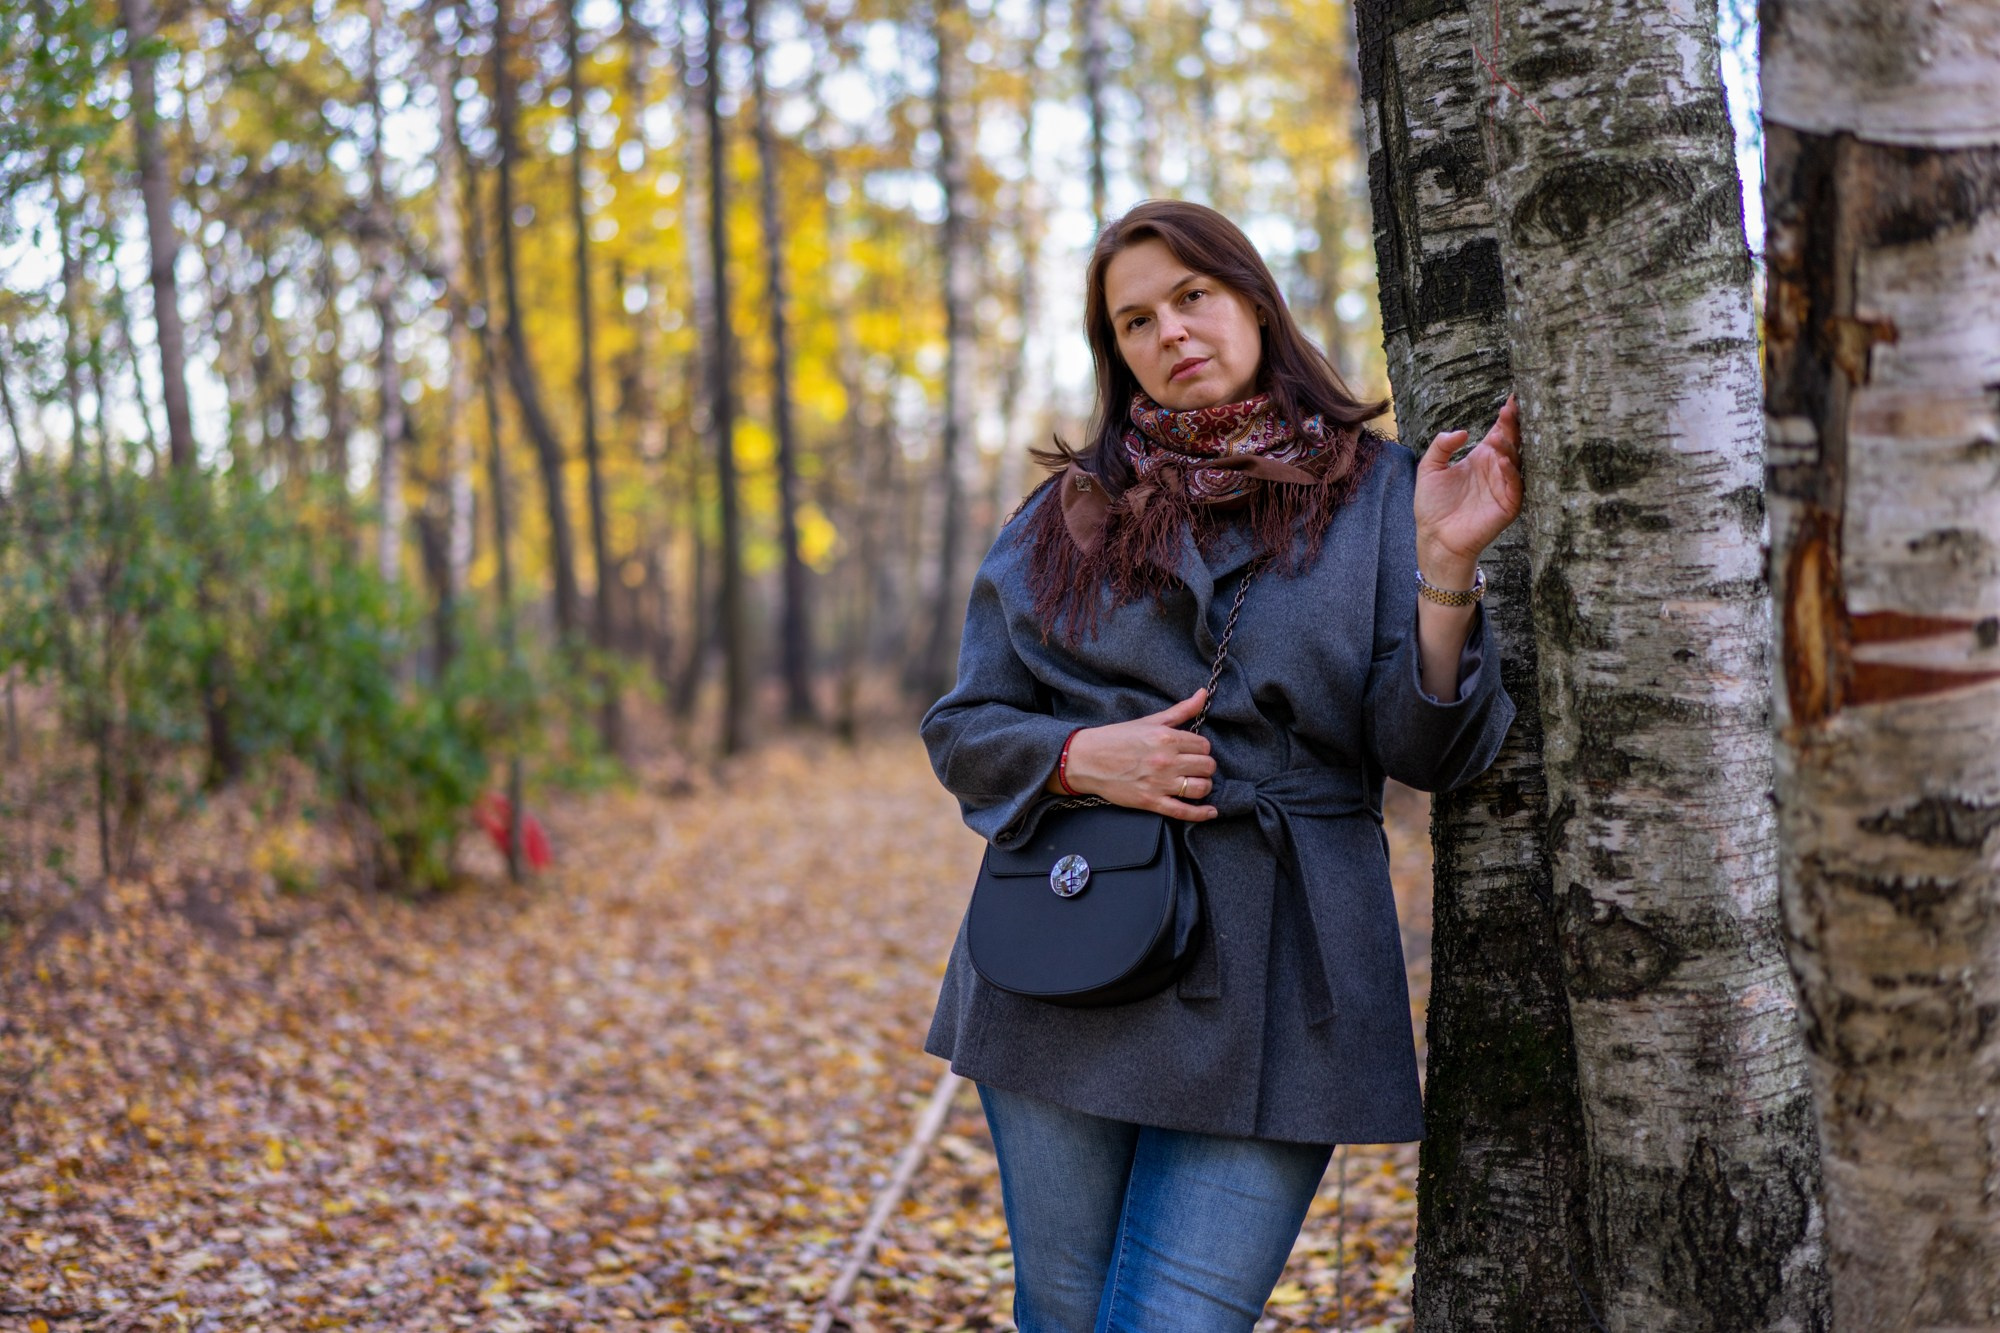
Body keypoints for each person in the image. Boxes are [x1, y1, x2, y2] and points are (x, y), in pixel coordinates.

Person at [918, 199, 1522, 1333]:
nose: (1170, 332)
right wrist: (1079, 757)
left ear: (1250, 298)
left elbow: (1426, 749)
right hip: (1070, 948)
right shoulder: (1063, 516)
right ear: (1116, 352)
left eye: (1191, 296)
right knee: (1058, 1310)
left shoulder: (1384, 491)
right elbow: (963, 728)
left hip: (1284, 972)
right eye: (1134, 320)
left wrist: (1444, 565)